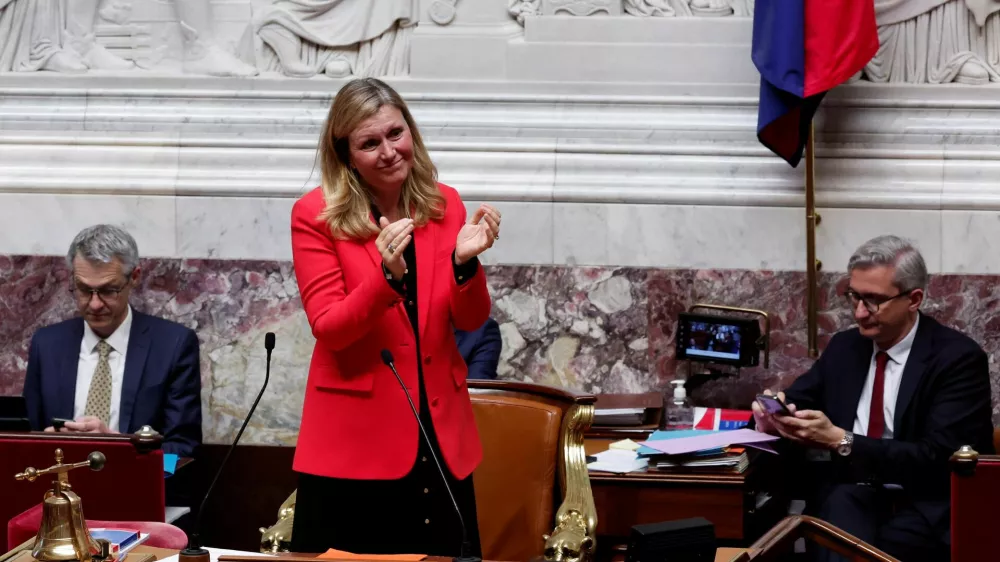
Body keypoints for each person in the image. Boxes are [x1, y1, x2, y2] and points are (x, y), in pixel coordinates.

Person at [289, 78, 501, 557]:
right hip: (355, 443)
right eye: (370, 143)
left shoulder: (445, 205)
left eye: (395, 133)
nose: (388, 151)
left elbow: (470, 321)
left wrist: (465, 266)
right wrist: (386, 278)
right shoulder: (315, 215)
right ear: (346, 154)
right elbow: (331, 328)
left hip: (438, 432)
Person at [751, 235, 994, 562]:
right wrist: (775, 412)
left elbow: (938, 457)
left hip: (923, 502)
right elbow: (798, 398)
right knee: (831, 523)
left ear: (914, 298)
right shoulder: (845, 347)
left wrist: (842, 440)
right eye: (854, 296)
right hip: (852, 491)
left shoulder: (957, 359)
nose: (860, 312)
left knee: (867, 545)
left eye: (874, 300)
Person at [22, 225, 203, 458]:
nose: (95, 304)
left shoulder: (173, 345)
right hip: (59, 488)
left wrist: (116, 445)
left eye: (108, 291)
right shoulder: (46, 344)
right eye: (84, 290)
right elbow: (25, 435)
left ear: (134, 277)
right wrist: (43, 443)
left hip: (135, 490)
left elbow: (183, 449)